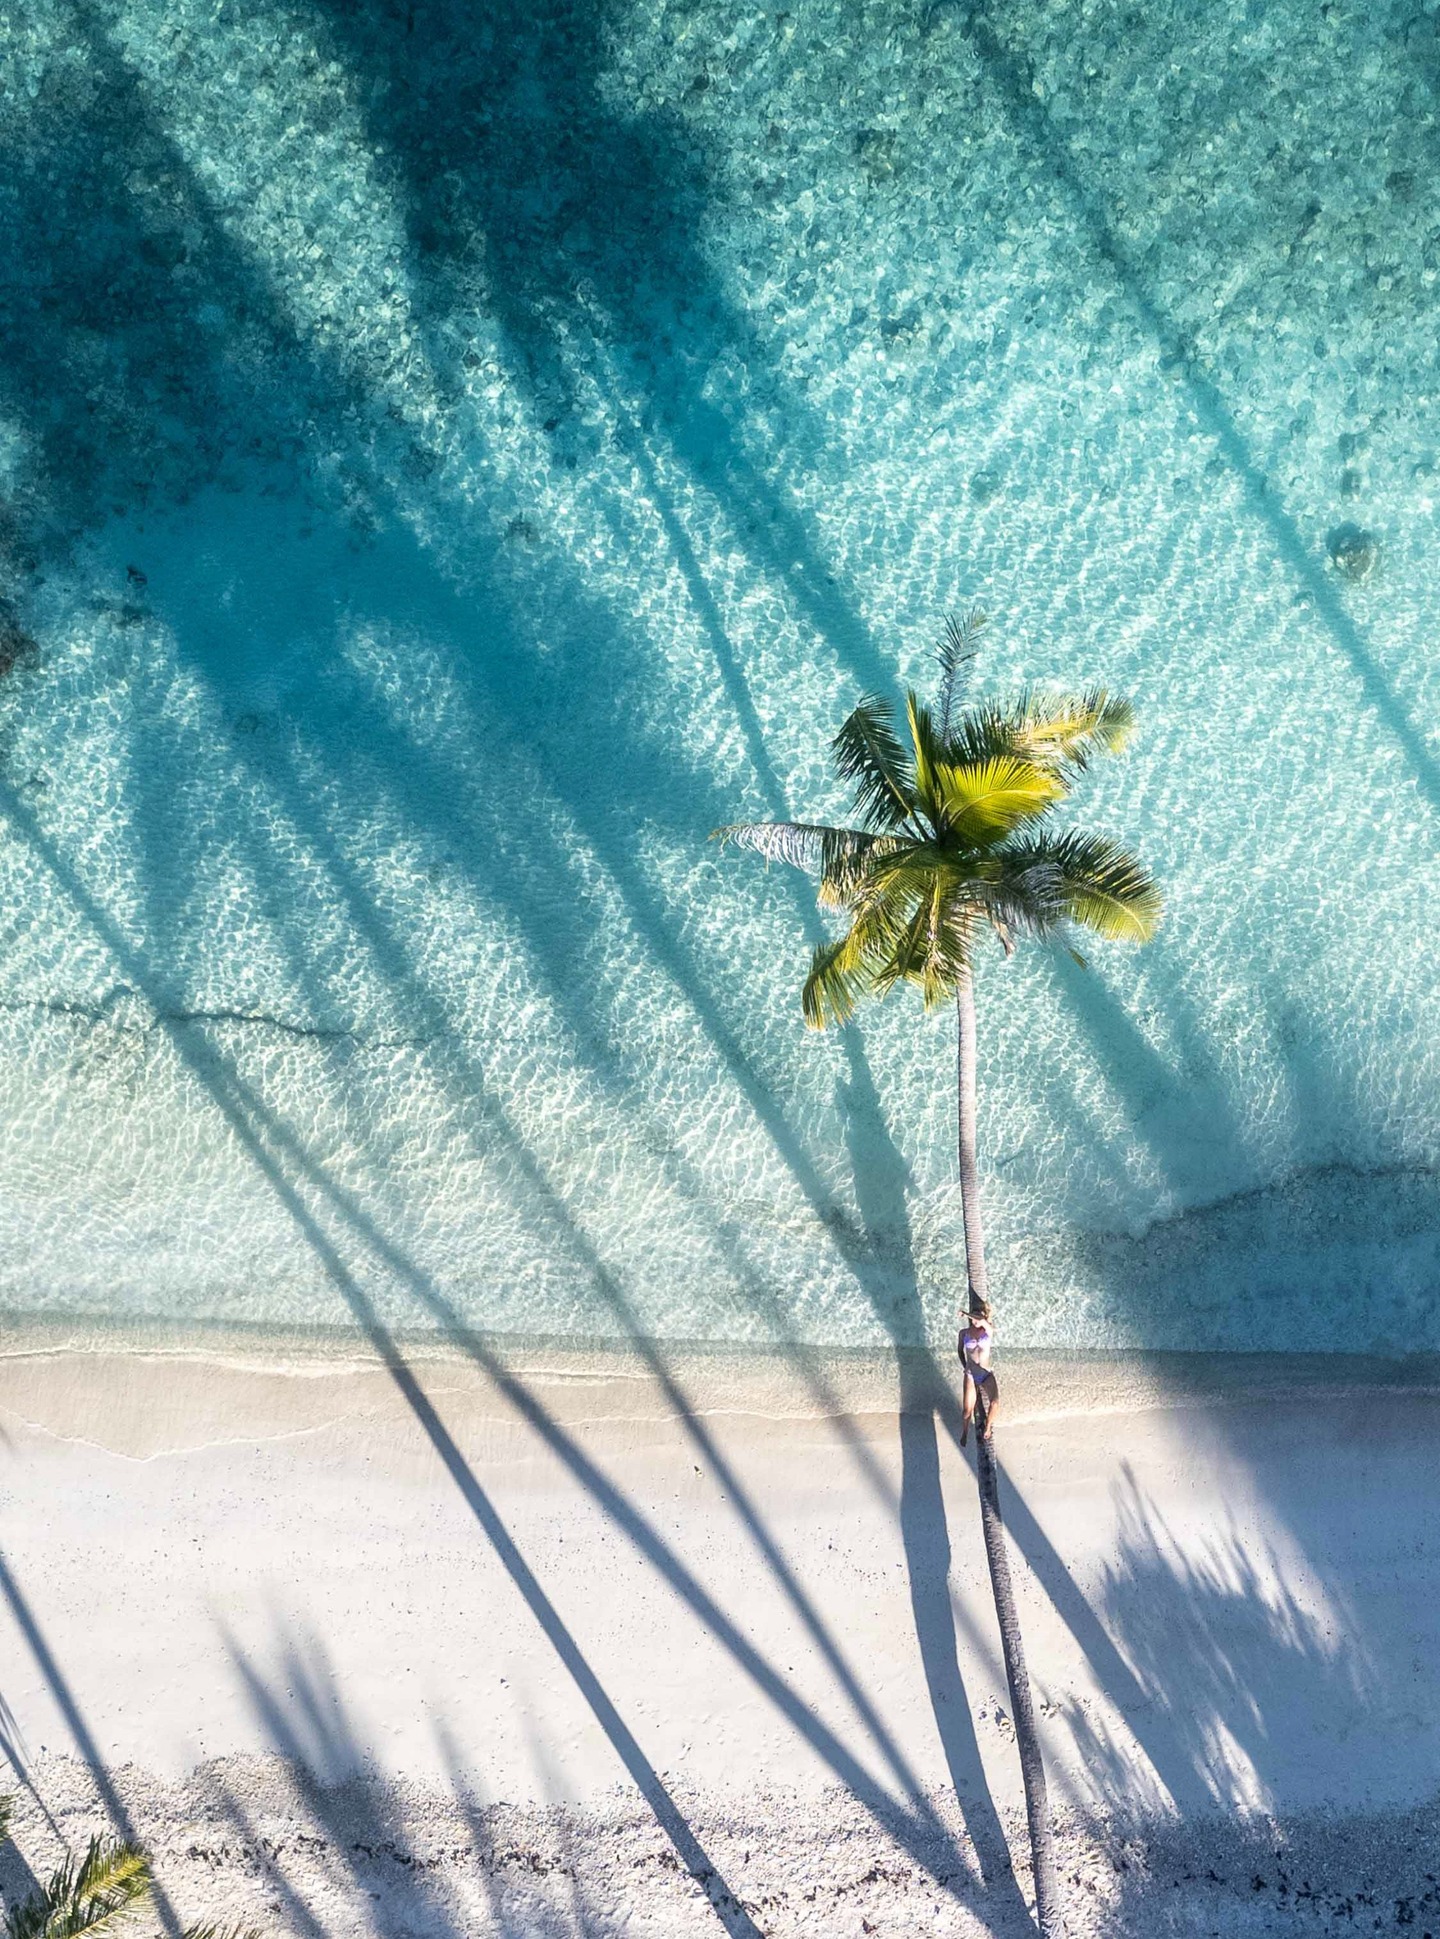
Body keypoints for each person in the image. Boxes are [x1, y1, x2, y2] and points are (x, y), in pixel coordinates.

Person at [958, 1294, 999, 1445]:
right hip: (970, 1374)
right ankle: (965, 1431)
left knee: (995, 1403)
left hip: (986, 1373)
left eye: (977, 1317)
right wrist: (965, 1366)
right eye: (972, 1318)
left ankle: (987, 1427)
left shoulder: (988, 1330)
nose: (974, 1321)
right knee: (966, 1412)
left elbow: (982, 1321)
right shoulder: (963, 1333)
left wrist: (965, 1313)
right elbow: (959, 1351)